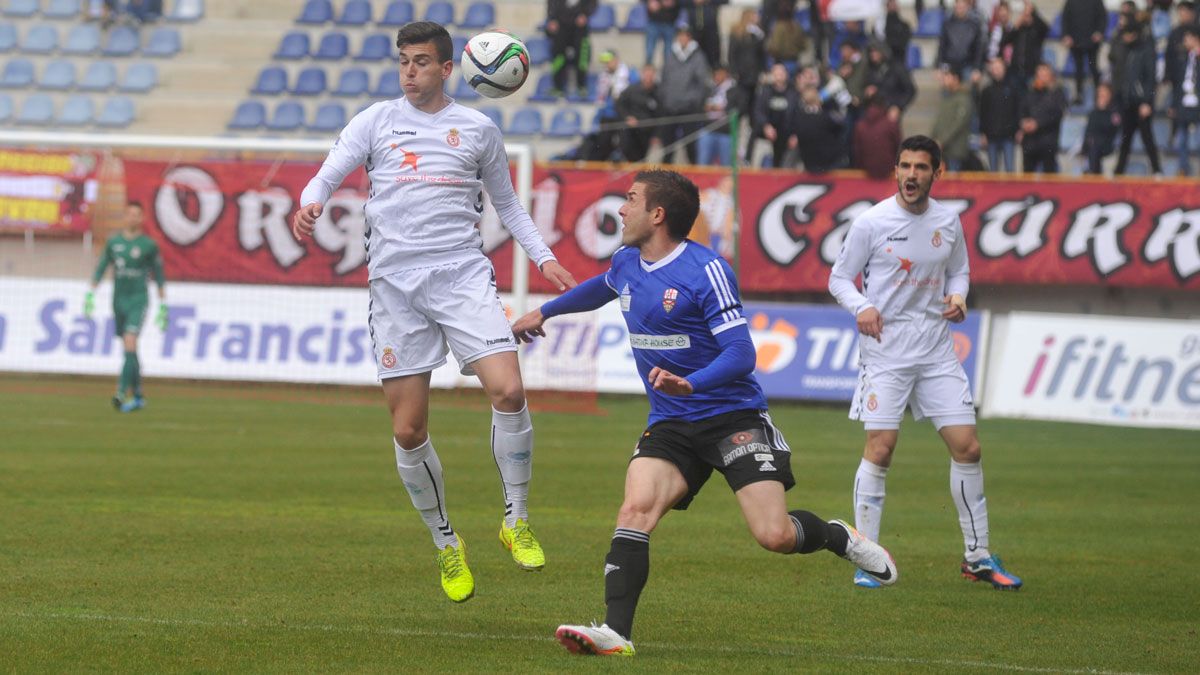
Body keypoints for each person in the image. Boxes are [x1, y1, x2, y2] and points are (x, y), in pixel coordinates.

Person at [512, 169, 898, 657]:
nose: (620, 209)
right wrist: (545, 311)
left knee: (775, 535)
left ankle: (837, 536)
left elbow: (742, 353)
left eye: (630, 199)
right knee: (635, 510)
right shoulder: (626, 261)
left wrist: (690, 382)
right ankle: (616, 632)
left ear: (657, 214)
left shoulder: (706, 270)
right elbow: (603, 287)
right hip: (671, 422)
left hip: (732, 417)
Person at [290, 21, 577, 604]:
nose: (409, 71)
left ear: (449, 69)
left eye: (420, 61)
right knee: (408, 429)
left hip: (460, 276)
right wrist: (311, 202)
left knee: (509, 390)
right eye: (403, 61)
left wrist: (544, 260)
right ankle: (447, 544)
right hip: (394, 288)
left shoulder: (478, 129)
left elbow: (508, 206)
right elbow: (328, 171)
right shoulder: (376, 120)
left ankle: (516, 518)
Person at [828, 135, 1022, 592]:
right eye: (905, 166)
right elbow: (839, 278)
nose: (911, 175)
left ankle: (977, 557)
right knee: (880, 449)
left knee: (968, 448)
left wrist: (958, 296)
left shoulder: (947, 221)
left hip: (936, 349)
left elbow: (959, 270)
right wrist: (862, 306)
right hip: (886, 351)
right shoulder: (871, 222)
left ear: (938, 172)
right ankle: (868, 559)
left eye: (920, 167)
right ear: (895, 170)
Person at [85, 201, 166, 413]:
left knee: (130, 341)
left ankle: (121, 392)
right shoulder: (114, 242)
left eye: (137, 214)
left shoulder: (149, 245)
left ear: (142, 218)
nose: (133, 218)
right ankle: (138, 395)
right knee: (129, 348)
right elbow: (102, 266)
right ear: (124, 217)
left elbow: (159, 275)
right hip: (118, 300)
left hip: (138, 299)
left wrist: (163, 305)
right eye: (129, 214)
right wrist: (91, 293)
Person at [1111, 19, 1163, 175]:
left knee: (1147, 138)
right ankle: (1119, 171)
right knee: (1125, 140)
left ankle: (1157, 170)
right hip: (1127, 102)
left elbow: (1150, 78)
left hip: (1141, 103)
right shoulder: (1125, 50)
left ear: (1133, 34)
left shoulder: (1146, 50)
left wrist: (1146, 102)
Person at [1018, 63, 1068, 173]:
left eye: (1045, 75)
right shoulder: (1029, 93)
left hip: (1048, 142)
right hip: (1030, 142)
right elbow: (1022, 111)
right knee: (1027, 177)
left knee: (1049, 178)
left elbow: (1057, 114)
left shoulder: (1057, 93)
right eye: (1039, 74)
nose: (1042, 78)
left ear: (1051, 76)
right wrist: (1023, 123)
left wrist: (1037, 124)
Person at [545, 0, 596, 98]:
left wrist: (585, 14)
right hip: (560, 25)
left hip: (580, 27)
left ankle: (582, 86)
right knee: (558, 56)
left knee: (582, 55)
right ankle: (558, 87)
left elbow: (592, 3)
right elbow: (551, 3)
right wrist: (552, 18)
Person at [1061, 0, 1108, 105]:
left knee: (1093, 67)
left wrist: (1099, 32)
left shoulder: (1097, 1)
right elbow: (1065, 18)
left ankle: (1099, 95)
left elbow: (1103, 17)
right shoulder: (1071, 2)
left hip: (1092, 42)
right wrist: (1066, 35)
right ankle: (1079, 95)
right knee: (1078, 69)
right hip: (1076, 41)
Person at [977, 58, 1020, 172]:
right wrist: (983, 133)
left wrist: (1018, 129)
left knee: (1010, 169)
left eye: (999, 68)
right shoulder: (986, 91)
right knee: (993, 172)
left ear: (1004, 69)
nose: (996, 71)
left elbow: (1017, 110)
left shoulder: (1012, 89)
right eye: (994, 68)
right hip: (991, 136)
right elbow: (982, 113)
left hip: (1008, 136)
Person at [1168, 27, 1200, 176]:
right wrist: (1173, 104)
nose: (1185, 41)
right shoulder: (1183, 58)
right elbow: (1177, 83)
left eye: (1187, 38)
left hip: (1197, 102)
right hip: (1184, 102)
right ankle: (1183, 167)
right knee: (1182, 138)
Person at [1082, 82, 1122, 174]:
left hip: (1107, 145)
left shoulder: (1115, 112)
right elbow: (1088, 131)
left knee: (1094, 146)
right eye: (1100, 94)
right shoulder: (1093, 113)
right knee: (1091, 146)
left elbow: (1113, 128)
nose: (1102, 96)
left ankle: (1094, 174)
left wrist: (1103, 110)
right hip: (1093, 146)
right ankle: (1092, 172)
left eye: (1104, 94)